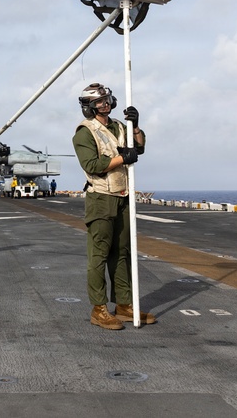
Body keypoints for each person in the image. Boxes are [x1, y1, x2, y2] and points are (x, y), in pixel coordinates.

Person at [72, 82, 156, 330]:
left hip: (123, 195)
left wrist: (136, 126)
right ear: (89, 106)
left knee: (122, 253)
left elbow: (139, 147)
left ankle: (124, 305)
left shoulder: (120, 126)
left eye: (107, 99)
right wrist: (122, 157)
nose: (105, 104)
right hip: (101, 199)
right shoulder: (84, 132)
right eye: (99, 101)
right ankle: (99, 309)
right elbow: (92, 165)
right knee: (99, 255)